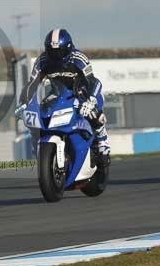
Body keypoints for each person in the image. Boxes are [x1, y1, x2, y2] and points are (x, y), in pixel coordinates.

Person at [18, 28, 111, 166]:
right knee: (39, 114)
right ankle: (37, 143)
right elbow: (32, 85)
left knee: (93, 113)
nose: (56, 56)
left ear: (68, 48)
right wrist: (23, 103)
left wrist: (90, 100)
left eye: (60, 51)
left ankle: (103, 142)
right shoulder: (42, 61)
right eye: (52, 52)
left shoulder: (79, 58)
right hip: (57, 94)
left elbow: (93, 82)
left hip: (81, 93)